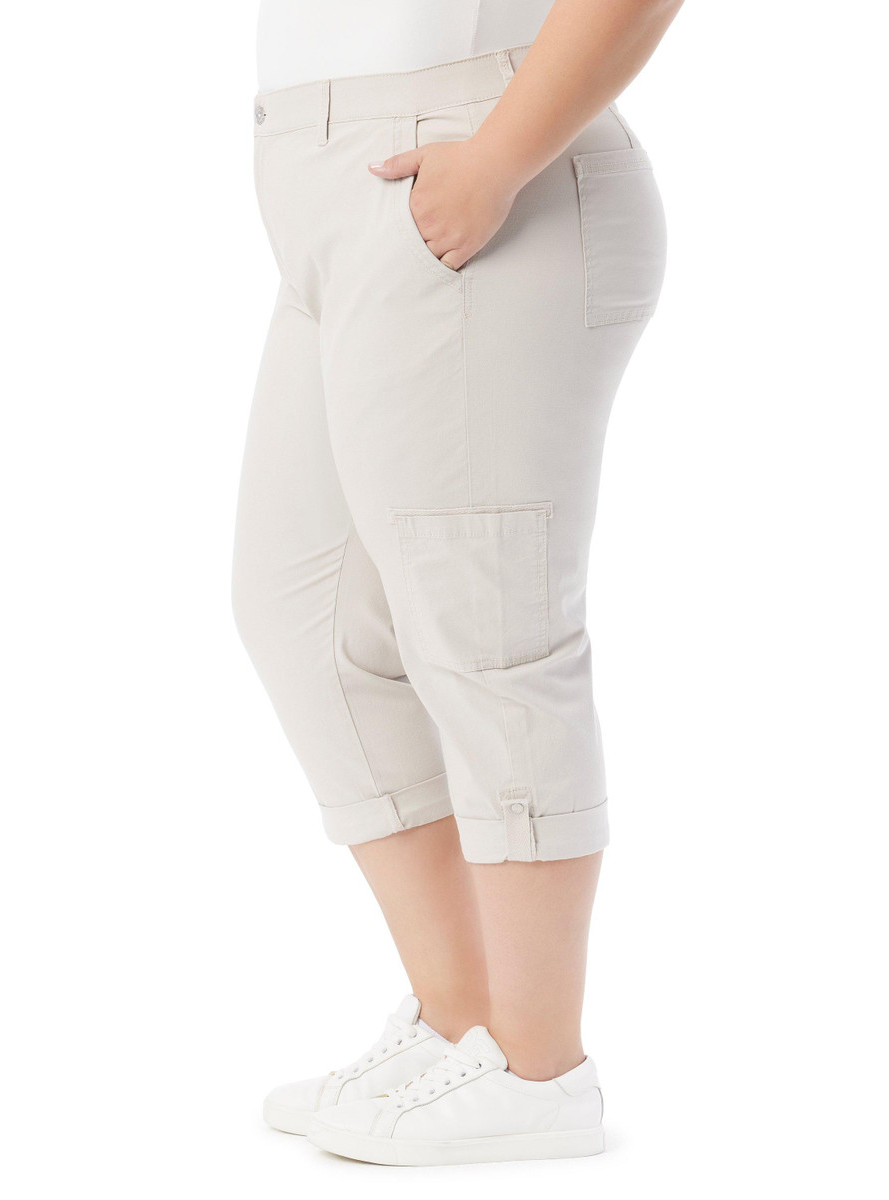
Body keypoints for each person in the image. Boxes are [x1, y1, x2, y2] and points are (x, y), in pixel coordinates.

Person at [234, 0, 683, 1166]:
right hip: (327, 179)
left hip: (477, 156)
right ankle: (464, 1023)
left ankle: (540, 1068)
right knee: (302, 613)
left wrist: (497, 160)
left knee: (489, 628)